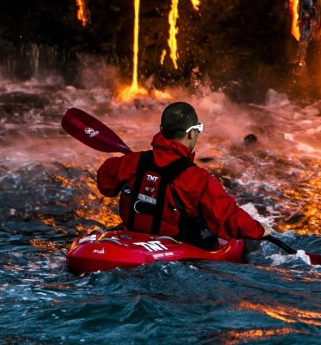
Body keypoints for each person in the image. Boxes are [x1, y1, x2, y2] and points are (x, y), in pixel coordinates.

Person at [96, 102, 273, 247]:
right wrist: (259, 229)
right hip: (173, 251)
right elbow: (227, 216)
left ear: (162, 130)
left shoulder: (132, 161)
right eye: (198, 129)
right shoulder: (197, 179)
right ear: (191, 132)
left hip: (129, 242)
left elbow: (104, 183)